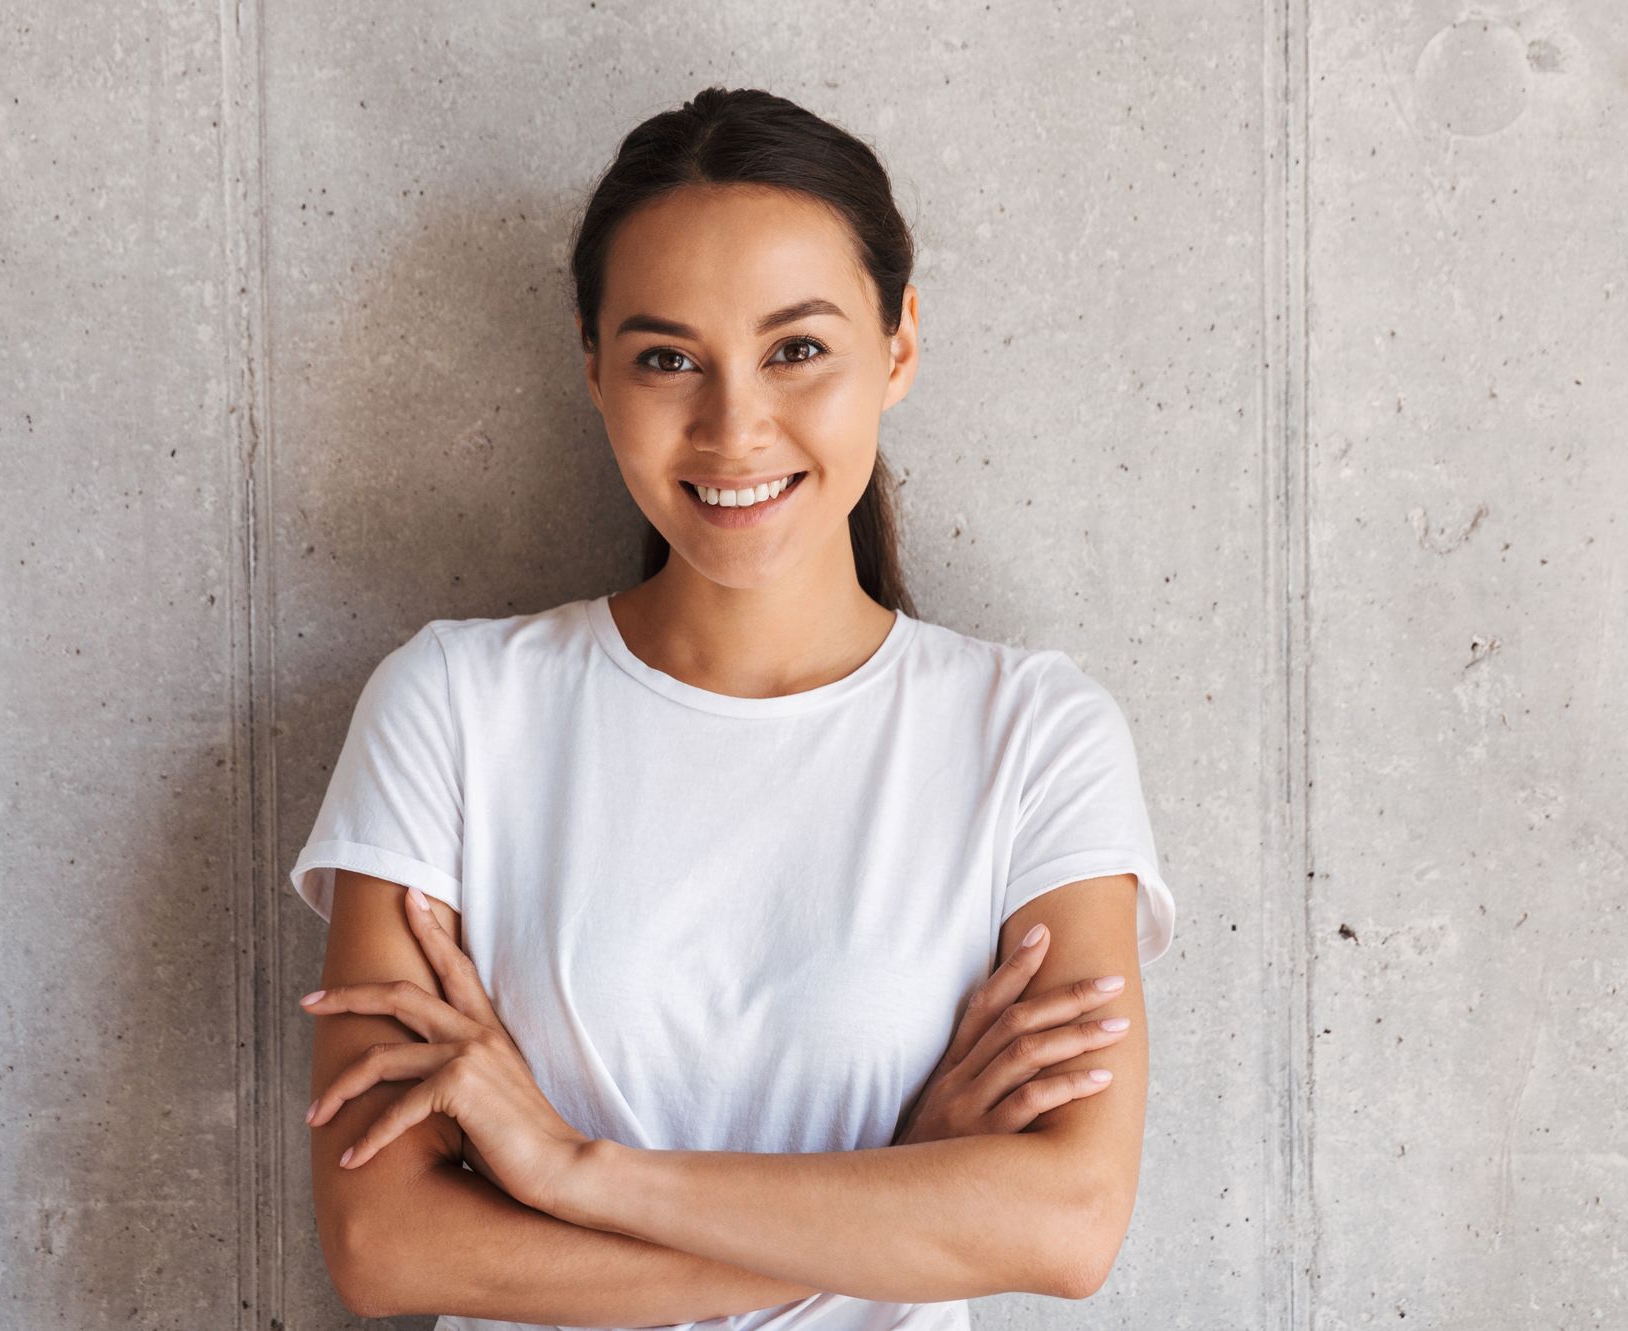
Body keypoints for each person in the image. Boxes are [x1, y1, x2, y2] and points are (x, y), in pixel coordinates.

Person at [289, 86, 1176, 1330]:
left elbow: (1066, 1220)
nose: (733, 425)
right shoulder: (454, 706)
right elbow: (386, 1242)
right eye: (666, 358)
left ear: (900, 345)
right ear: (594, 369)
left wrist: (568, 1168)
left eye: (797, 348)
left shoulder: (1033, 735)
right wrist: (896, 1201)